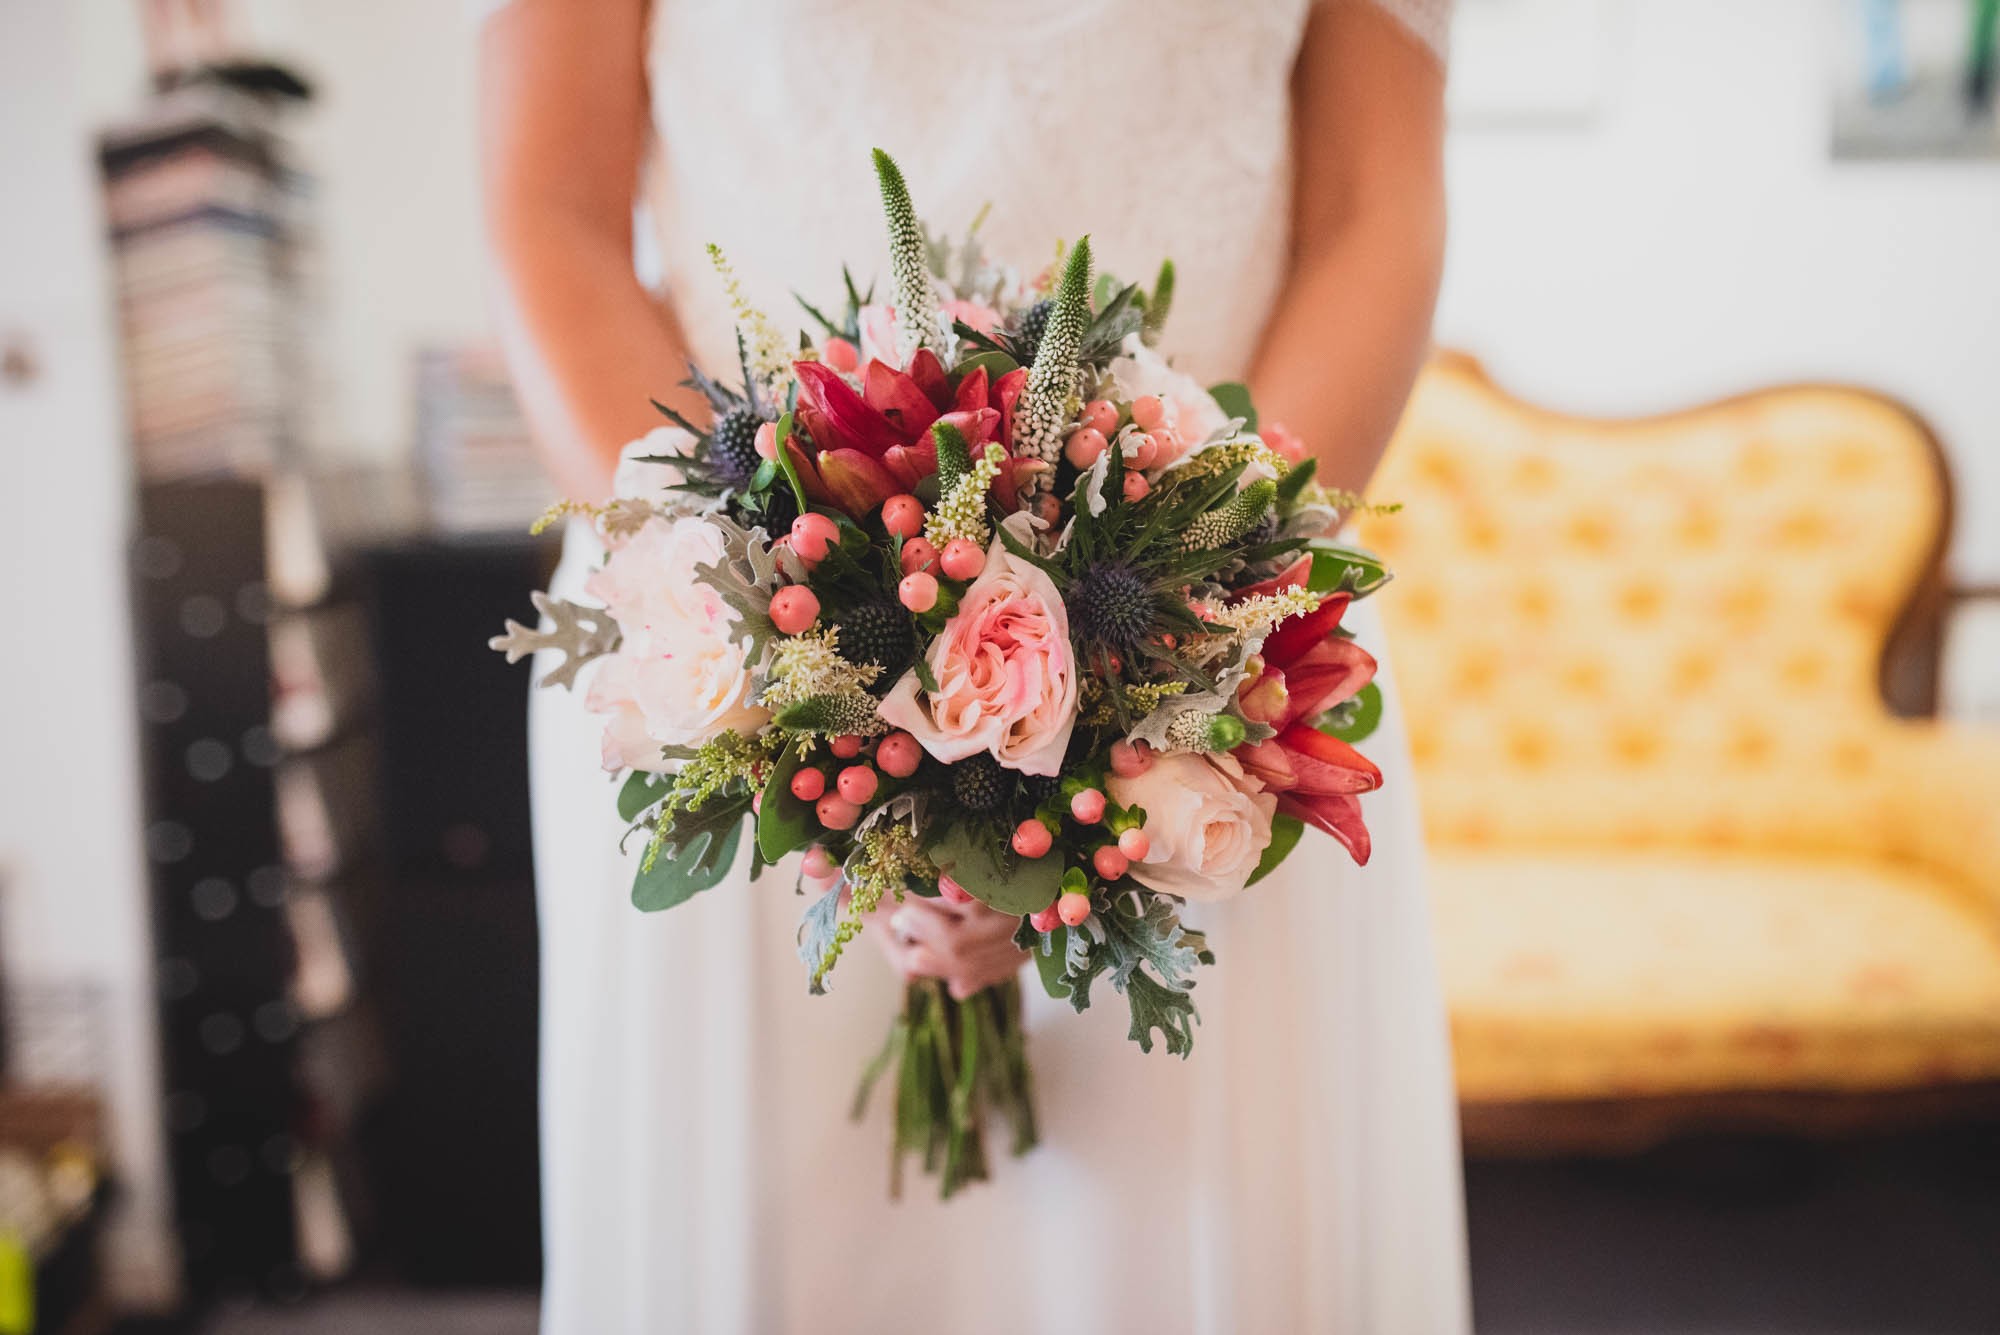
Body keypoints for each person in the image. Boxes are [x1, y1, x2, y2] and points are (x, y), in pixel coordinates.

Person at [480, 2, 1468, 1330]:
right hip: (733, 634)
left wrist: (1188, 641)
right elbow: (552, 213)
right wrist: (770, 648)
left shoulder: (1207, 648)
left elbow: (1370, 213)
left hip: (1216, 656)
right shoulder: (746, 634)